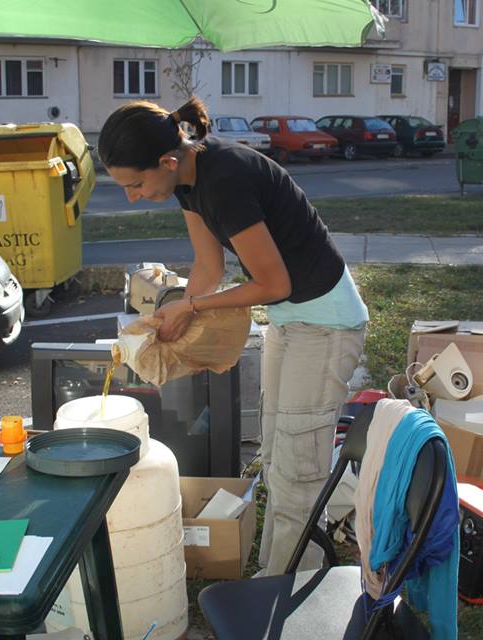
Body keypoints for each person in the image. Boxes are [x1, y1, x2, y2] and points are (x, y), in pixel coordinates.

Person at [98, 97, 368, 576]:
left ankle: (288, 589)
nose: (132, 197)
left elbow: (273, 284)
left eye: (135, 184)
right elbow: (208, 266)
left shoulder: (225, 181)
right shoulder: (188, 179)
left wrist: (194, 307)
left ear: (166, 160)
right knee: (279, 454)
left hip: (325, 323)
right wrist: (177, 324)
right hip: (294, 319)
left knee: (297, 466)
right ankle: (285, 570)